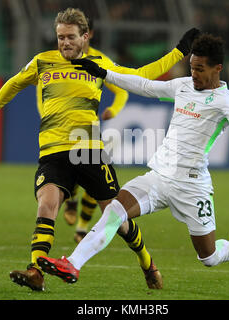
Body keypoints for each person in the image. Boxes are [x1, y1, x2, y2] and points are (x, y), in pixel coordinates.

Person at [0, 7, 200, 291]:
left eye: (70, 37)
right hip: (52, 152)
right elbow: (13, 85)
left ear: (85, 36)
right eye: (60, 37)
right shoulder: (43, 62)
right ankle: (36, 271)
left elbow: (140, 75)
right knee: (46, 205)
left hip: (88, 150)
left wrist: (179, 51)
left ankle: (146, 262)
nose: (64, 43)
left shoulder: (99, 63)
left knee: (117, 217)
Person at [36, 34, 229, 286]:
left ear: (218, 68)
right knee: (115, 213)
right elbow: (144, 85)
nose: (193, 73)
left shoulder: (226, 101)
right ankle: (72, 264)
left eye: (200, 69)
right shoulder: (183, 86)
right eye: (192, 67)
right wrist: (104, 73)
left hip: (192, 187)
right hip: (159, 177)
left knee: (208, 256)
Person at [57, 18, 129, 243]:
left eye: (75, 35)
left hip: (87, 127)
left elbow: (122, 90)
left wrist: (114, 111)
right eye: (65, 36)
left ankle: (81, 228)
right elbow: (42, 90)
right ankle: (71, 200)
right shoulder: (56, 59)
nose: (69, 40)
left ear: (88, 35)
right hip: (60, 127)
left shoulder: (100, 60)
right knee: (73, 172)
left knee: (95, 178)